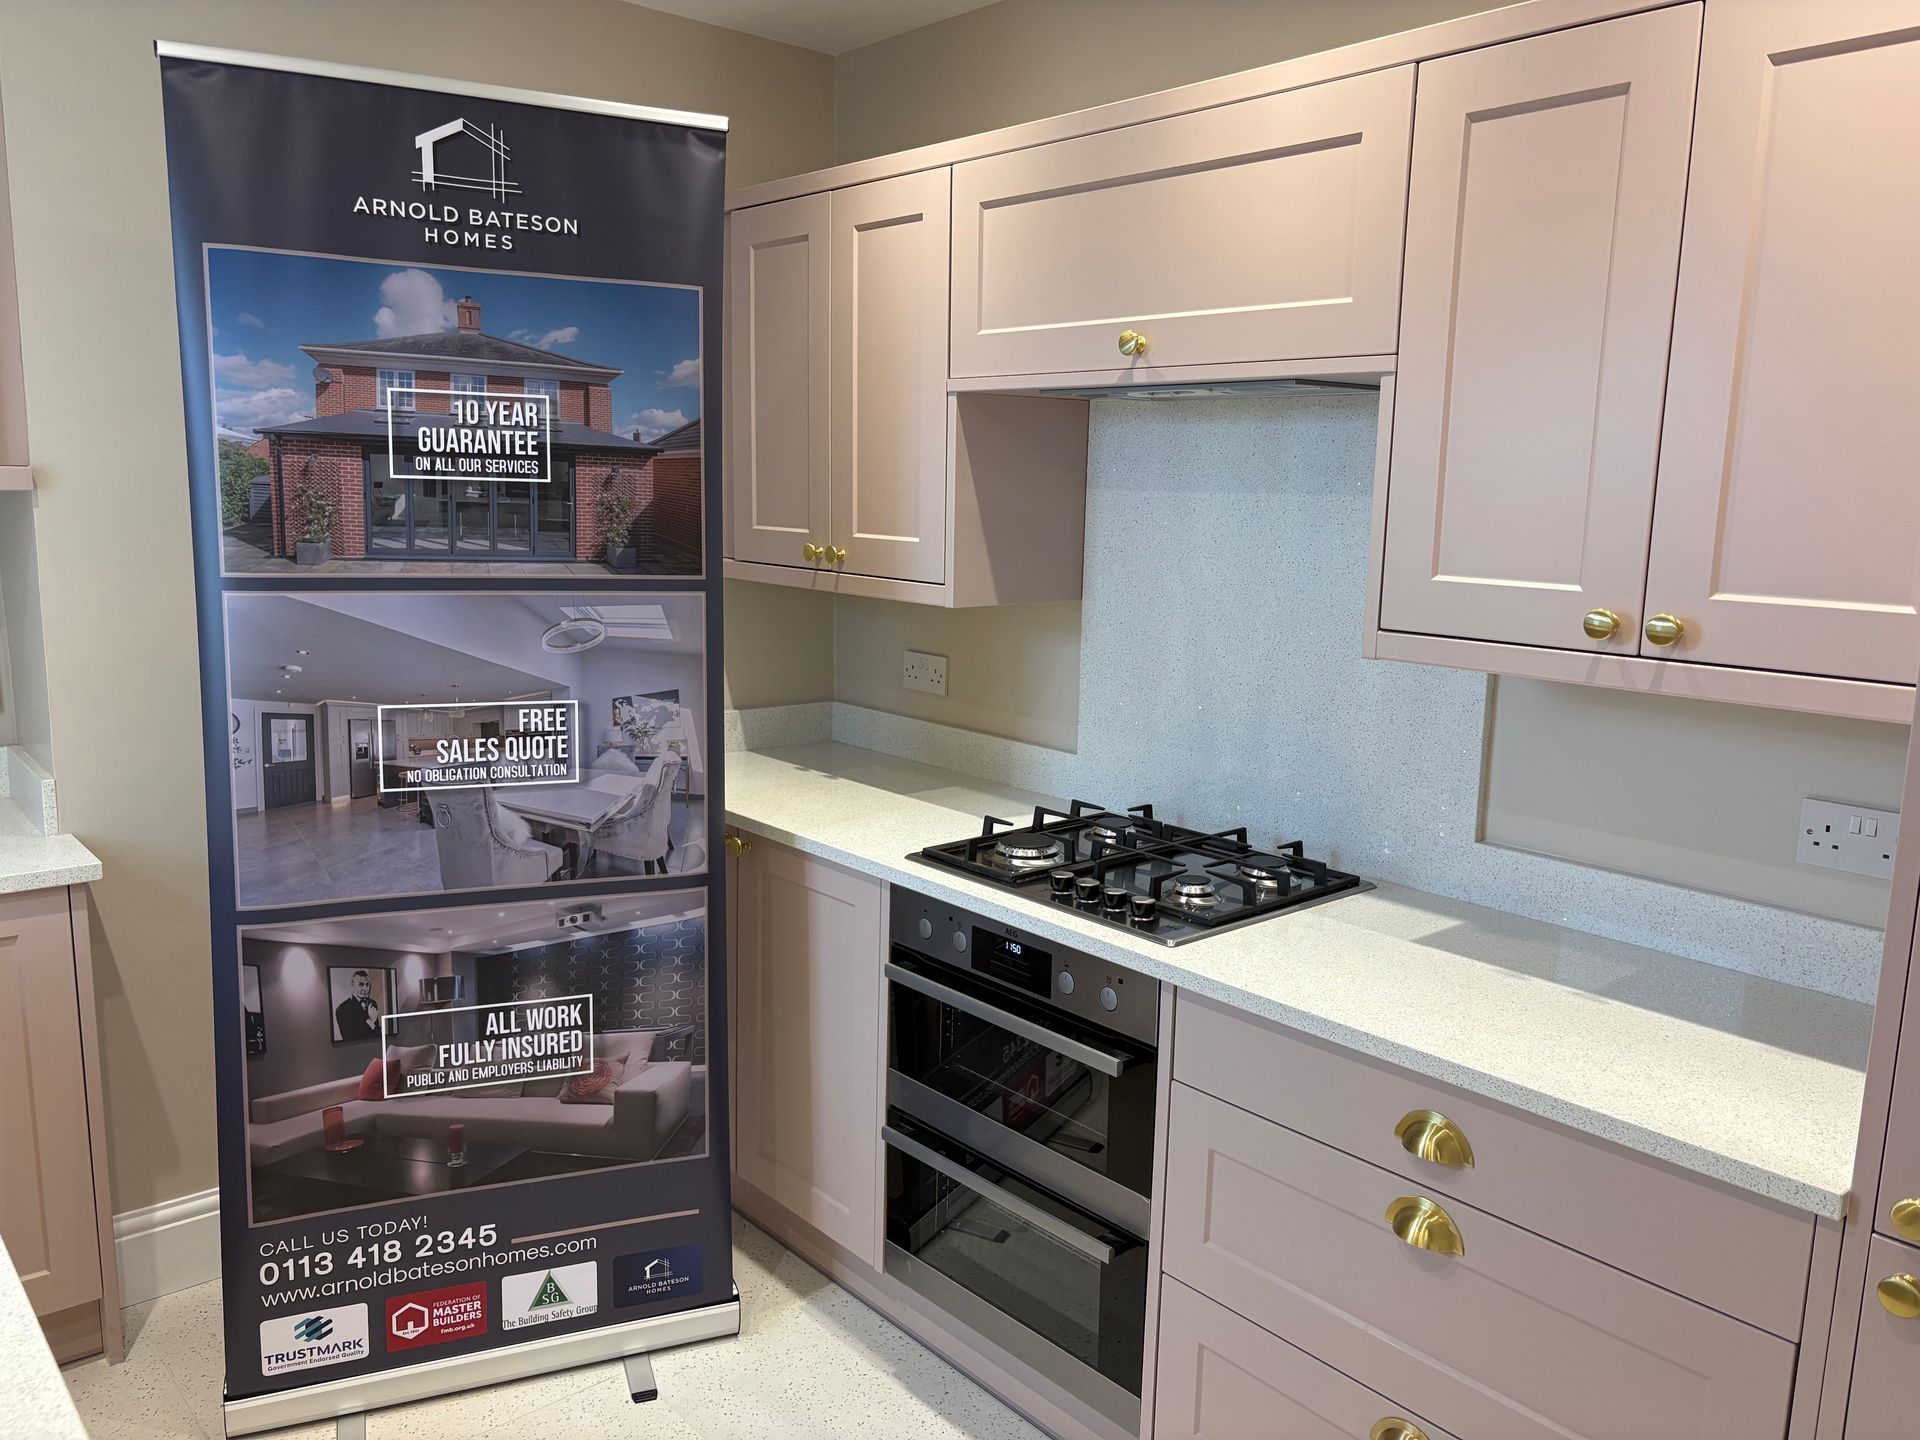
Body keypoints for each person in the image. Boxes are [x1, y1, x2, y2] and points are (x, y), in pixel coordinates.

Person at [335, 969, 380, 1042]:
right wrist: (370, 1022)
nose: (365, 989)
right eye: (361, 984)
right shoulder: (342, 1009)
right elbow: (350, 1038)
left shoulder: (372, 1003)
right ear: (352, 984)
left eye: (367, 985)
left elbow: (378, 1034)